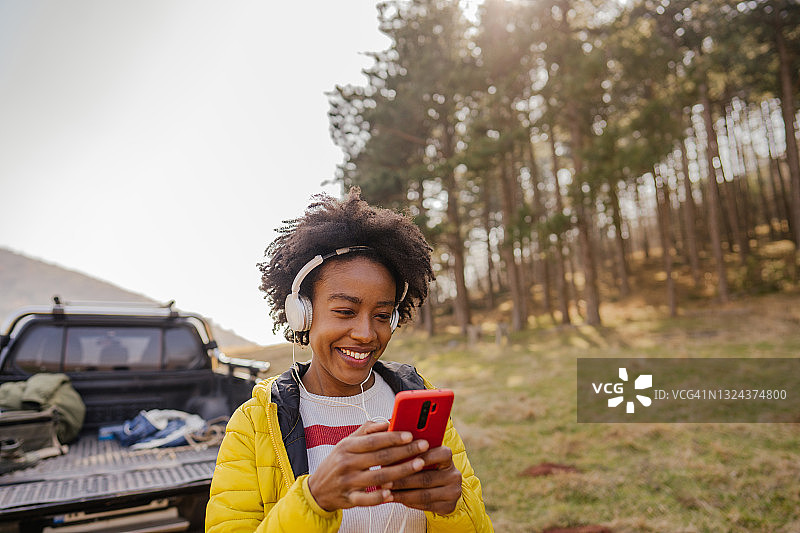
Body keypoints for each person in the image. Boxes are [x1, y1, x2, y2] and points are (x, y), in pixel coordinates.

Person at [206, 188, 493, 532]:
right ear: (302, 315)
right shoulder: (254, 423)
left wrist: (454, 507)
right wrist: (314, 499)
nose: (365, 334)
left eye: (382, 315)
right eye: (345, 311)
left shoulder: (418, 400)